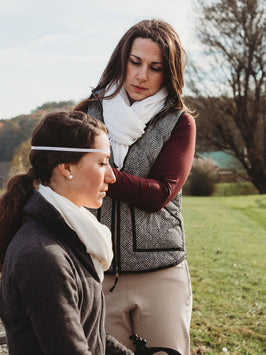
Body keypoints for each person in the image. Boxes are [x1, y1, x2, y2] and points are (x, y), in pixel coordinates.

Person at [75, 19, 196, 354]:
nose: (142, 76)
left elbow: (158, 193)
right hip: (97, 272)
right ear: (122, 61)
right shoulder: (87, 113)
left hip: (161, 274)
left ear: (168, 72)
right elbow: (62, 178)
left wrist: (97, 171)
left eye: (155, 67)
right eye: (136, 62)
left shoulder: (179, 122)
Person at [0, 111, 133, 355]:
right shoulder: (43, 256)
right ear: (66, 167)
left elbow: (89, 333)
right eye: (103, 163)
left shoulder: (70, 234)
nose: (112, 176)